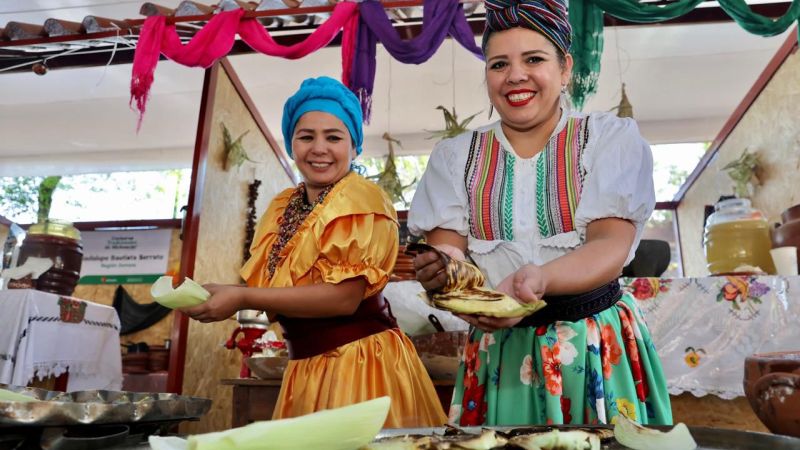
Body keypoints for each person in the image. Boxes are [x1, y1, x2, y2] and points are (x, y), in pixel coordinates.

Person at [408, 0, 672, 427]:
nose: (515, 75)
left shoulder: (607, 139)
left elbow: (610, 245)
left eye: (534, 59)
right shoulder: (454, 157)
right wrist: (448, 277)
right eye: (498, 64)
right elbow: (448, 250)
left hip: (590, 343)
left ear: (565, 68)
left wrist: (541, 279)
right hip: (501, 350)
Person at [183, 76, 446, 428]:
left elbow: (344, 299)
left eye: (333, 137)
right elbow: (278, 291)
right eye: (306, 136)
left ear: (354, 147)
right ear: (291, 145)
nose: (319, 148)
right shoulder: (283, 207)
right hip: (306, 366)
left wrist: (241, 296)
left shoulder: (361, 200)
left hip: (359, 366)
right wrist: (223, 293)